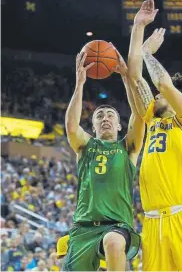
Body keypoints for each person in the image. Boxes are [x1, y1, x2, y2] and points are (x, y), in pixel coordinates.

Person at [127, 0, 182, 270]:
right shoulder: (153, 118)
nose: (156, 96)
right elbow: (134, 76)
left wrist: (149, 53)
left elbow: (163, 84)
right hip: (152, 222)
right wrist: (138, 27)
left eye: (166, 95)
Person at [63, 50, 145, 271]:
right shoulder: (85, 146)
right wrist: (80, 84)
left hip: (118, 226)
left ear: (119, 125)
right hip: (83, 228)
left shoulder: (128, 148)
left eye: (111, 115)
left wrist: (127, 79)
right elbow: (71, 127)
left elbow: (139, 115)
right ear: (94, 126)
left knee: (113, 241)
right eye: (100, 116)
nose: (105, 118)